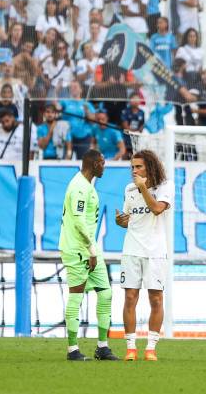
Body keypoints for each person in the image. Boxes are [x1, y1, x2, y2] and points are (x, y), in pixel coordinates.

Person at [59, 149, 119, 361]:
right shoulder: (79, 188)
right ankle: (72, 349)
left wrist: (93, 249)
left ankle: (102, 347)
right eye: (102, 162)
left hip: (90, 248)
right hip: (77, 250)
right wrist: (91, 250)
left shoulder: (87, 185)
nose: (104, 166)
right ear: (93, 164)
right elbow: (78, 221)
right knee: (76, 296)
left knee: (106, 293)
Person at [115, 149, 175, 361]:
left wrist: (143, 187)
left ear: (150, 166)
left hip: (156, 252)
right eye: (132, 167)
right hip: (131, 250)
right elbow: (129, 218)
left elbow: (157, 209)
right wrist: (121, 221)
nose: (134, 170)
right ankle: (131, 347)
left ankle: (151, 348)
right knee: (130, 297)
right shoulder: (129, 189)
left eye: (138, 166)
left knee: (156, 299)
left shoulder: (165, 187)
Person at [59, 80, 97, 159]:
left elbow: (93, 121)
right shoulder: (64, 102)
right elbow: (56, 108)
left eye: (75, 87)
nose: (73, 89)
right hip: (68, 136)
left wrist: (87, 111)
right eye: (71, 87)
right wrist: (56, 92)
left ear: (81, 89)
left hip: (84, 136)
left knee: (84, 161)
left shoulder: (87, 104)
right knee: (66, 159)